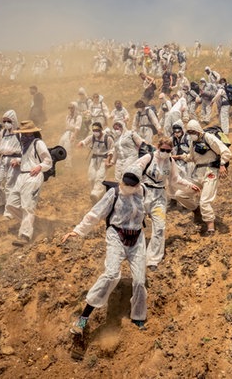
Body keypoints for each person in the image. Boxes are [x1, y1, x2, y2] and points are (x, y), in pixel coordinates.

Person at [62, 166, 149, 333]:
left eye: (132, 184)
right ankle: (83, 318)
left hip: (137, 238)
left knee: (139, 280)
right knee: (111, 274)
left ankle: (138, 316)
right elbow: (95, 213)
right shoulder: (114, 193)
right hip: (117, 235)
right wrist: (77, 231)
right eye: (126, 183)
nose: (129, 187)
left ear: (138, 184)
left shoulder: (143, 192)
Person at [133, 137, 199, 270]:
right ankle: (132, 252)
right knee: (135, 224)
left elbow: (175, 180)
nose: (165, 152)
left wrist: (189, 185)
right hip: (143, 193)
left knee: (159, 226)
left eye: (168, 150)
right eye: (162, 149)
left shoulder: (170, 161)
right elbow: (134, 170)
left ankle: (153, 259)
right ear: (158, 147)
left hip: (159, 197)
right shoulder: (148, 158)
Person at [172, 120, 232, 234]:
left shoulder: (208, 137)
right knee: (180, 194)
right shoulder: (193, 143)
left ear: (198, 130)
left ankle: (210, 227)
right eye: (189, 132)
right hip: (197, 172)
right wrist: (178, 157)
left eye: (192, 131)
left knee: (204, 200)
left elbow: (226, 152)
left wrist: (222, 164)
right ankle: (196, 210)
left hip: (210, 172)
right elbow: (191, 157)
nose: (191, 134)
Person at [4, 120, 53, 246]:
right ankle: (31, 223)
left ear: (32, 131)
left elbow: (48, 161)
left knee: (27, 206)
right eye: (22, 132)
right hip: (22, 175)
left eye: (26, 132)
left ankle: (25, 235)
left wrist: (39, 167)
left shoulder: (38, 143)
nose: (23, 135)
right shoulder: (24, 144)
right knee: (11, 204)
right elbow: (29, 157)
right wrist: (19, 160)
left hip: (33, 176)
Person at [0, 110, 21, 215]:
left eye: (8, 121)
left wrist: (19, 160)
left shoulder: (20, 134)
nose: (6, 123)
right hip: (2, 160)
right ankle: (2, 203)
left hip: (14, 161)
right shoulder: (3, 132)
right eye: (4, 121)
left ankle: (10, 209)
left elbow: (26, 150)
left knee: (10, 185)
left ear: (13, 120)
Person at [78, 122, 115, 203]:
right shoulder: (93, 137)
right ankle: (94, 193)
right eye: (94, 130)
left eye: (97, 130)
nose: (95, 132)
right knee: (91, 176)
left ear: (101, 129)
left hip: (103, 159)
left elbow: (112, 149)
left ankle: (96, 194)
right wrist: (81, 143)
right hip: (94, 159)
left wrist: (108, 160)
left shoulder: (107, 138)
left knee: (100, 176)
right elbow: (85, 141)